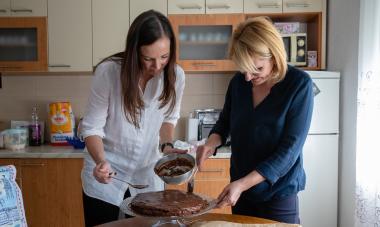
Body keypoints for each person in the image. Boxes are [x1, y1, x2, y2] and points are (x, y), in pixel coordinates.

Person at [196, 16, 314, 224]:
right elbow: (224, 123)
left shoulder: (298, 85)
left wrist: (242, 184)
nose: (248, 77)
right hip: (241, 191)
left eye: (257, 69)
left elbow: (289, 151)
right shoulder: (238, 83)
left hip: (278, 194)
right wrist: (211, 143)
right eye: (243, 69)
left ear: (274, 56)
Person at [80, 10, 186, 226]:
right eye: (148, 58)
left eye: (164, 57)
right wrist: (101, 162)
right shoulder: (109, 73)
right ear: (134, 52)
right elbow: (91, 128)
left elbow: (169, 118)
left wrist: (167, 146)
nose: (157, 66)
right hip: (107, 175)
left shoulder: (176, 76)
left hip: (147, 176)